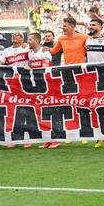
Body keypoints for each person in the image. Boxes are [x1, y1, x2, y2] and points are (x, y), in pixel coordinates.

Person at [44, 16, 89, 145]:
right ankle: (72, 132)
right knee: (70, 103)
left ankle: (85, 132)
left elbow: (93, 49)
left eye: (65, 26)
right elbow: (54, 51)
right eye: (63, 26)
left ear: (72, 26)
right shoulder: (62, 38)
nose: (62, 28)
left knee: (82, 103)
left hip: (81, 73)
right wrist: (45, 49)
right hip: (67, 73)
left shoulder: (84, 38)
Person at [85, 18, 104, 149]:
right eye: (90, 25)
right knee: (96, 108)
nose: (91, 27)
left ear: (101, 27)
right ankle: (101, 136)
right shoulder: (87, 40)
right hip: (92, 78)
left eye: (94, 25)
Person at [25, 32, 58, 149]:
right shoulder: (30, 53)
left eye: (30, 39)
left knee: (50, 113)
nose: (28, 41)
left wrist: (31, 69)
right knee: (42, 114)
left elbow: (45, 69)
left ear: (37, 41)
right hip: (37, 87)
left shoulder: (45, 52)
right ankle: (48, 139)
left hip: (48, 86)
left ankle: (56, 139)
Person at [3, 31, 29, 148]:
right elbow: (0, 63)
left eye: (18, 35)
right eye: (13, 35)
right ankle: (14, 137)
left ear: (22, 39)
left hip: (25, 83)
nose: (14, 36)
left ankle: (28, 138)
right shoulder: (6, 51)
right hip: (11, 84)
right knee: (13, 111)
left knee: (26, 110)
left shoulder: (27, 49)